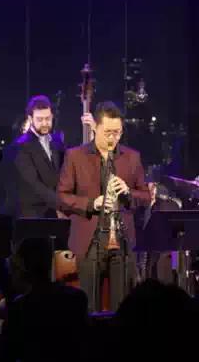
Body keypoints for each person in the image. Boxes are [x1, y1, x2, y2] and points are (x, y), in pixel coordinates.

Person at [57, 101, 151, 312]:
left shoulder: (132, 157)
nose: (113, 138)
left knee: (122, 309)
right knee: (88, 307)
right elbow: (62, 197)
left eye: (118, 133)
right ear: (95, 128)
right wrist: (92, 203)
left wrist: (128, 192)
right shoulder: (75, 156)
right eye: (108, 132)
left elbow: (145, 197)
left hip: (122, 242)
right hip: (89, 241)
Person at [0, 238, 88, 362]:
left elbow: (2, 355)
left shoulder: (20, 308)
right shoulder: (77, 298)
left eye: (14, 267)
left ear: (22, 268)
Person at [11, 95, 95, 219]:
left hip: (57, 211)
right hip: (34, 216)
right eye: (40, 119)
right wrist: (63, 206)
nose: (45, 123)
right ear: (30, 118)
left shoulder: (56, 142)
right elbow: (35, 185)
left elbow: (74, 164)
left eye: (48, 118)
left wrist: (93, 132)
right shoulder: (21, 146)